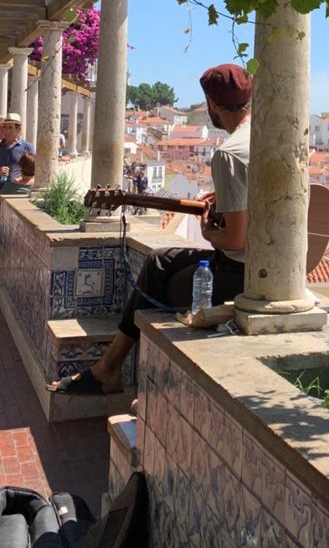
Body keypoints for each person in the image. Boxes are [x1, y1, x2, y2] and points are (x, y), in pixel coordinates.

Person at [48, 63, 252, 396]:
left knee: (164, 288)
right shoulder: (268, 138)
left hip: (241, 272)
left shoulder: (229, 153)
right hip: (266, 266)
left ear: (212, 104)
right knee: (158, 261)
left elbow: (234, 238)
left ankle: (137, 385)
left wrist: (206, 230)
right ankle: (110, 370)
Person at [0, 114, 35, 184]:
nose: (6, 131)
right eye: (4, 127)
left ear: (18, 129)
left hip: (17, 190)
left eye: (10, 128)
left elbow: (34, 172)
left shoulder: (27, 147)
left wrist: (21, 180)